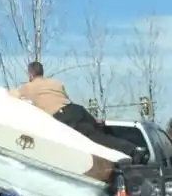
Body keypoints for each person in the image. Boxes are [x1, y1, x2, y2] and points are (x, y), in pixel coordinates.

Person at [9, 61, 138, 159]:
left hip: (63, 115)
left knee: (95, 139)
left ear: (30, 75)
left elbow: (10, 96)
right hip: (76, 109)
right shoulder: (56, 83)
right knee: (101, 131)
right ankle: (132, 147)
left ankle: (132, 152)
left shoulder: (29, 87)